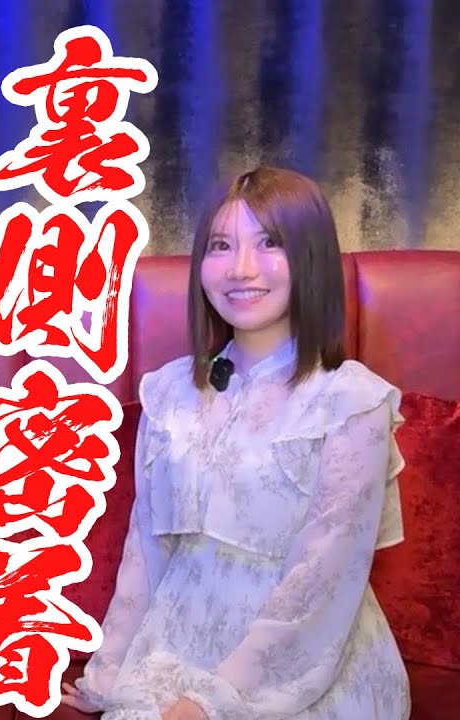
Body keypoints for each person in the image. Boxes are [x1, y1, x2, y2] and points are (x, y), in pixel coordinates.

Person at [59, 166, 411, 719]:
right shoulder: (169, 392)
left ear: (311, 257)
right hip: (172, 650)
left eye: (270, 243)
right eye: (221, 246)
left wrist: (213, 701)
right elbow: (147, 548)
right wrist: (107, 670)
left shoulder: (351, 401)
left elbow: (323, 577)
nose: (241, 268)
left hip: (305, 669)